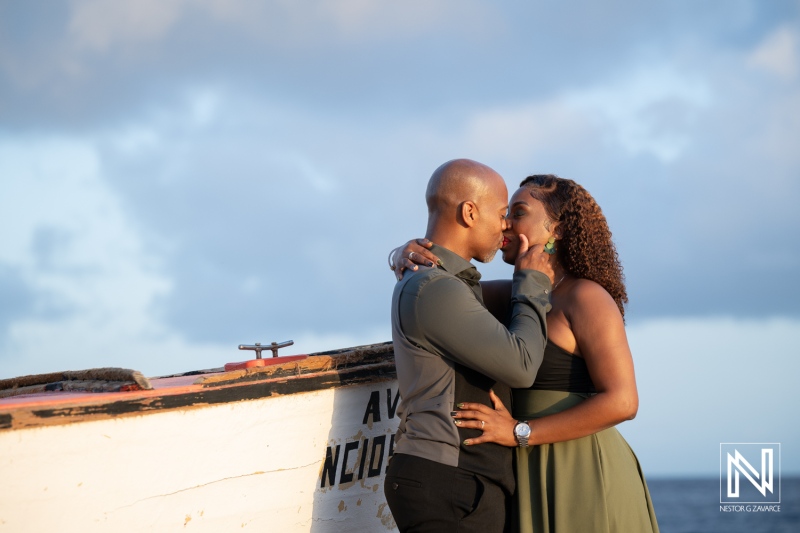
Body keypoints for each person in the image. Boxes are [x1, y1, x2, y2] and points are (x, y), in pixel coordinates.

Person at [391, 174, 659, 533]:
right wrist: (404, 254)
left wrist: (520, 432)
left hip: (581, 469)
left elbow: (624, 401)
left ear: (558, 230)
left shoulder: (586, 297)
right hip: (524, 468)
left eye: (518, 212)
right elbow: (440, 293)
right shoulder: (516, 294)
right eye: (505, 213)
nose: (505, 223)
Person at [385, 159, 556, 533]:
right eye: (501, 214)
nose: (507, 224)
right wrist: (531, 282)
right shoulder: (437, 288)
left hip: (459, 481)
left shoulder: (452, 284)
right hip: (448, 480)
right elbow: (522, 366)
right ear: (469, 212)